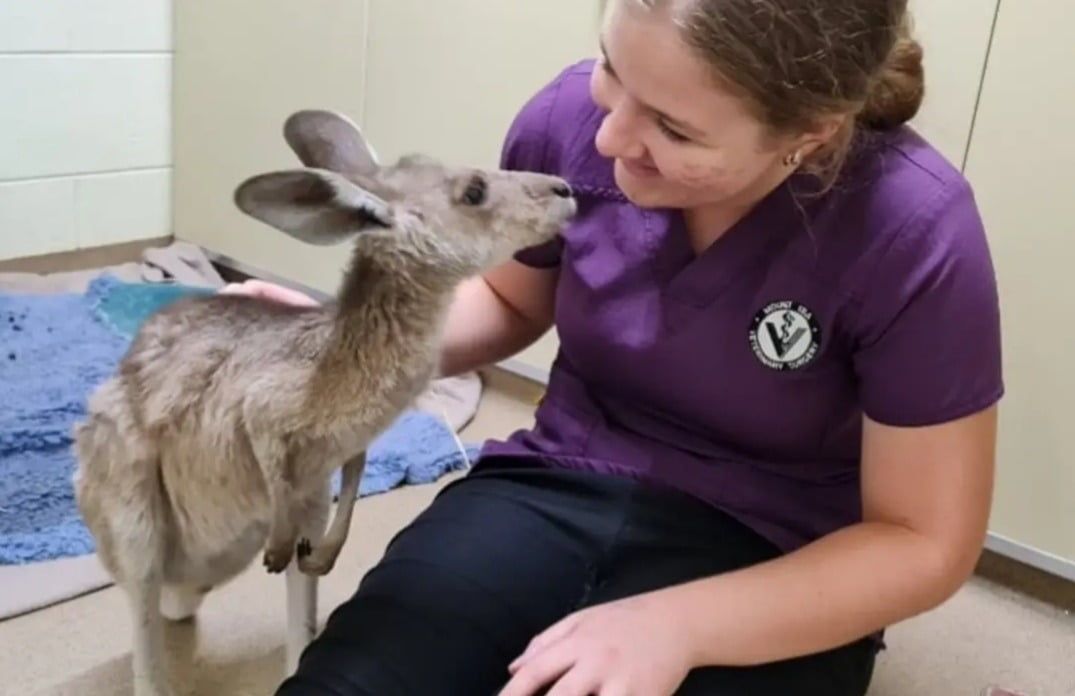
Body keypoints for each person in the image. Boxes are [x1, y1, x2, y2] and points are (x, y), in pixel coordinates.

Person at [229, 0, 1003, 693]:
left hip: (777, 552)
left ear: (810, 133)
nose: (607, 136)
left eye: (673, 129)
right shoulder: (569, 118)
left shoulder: (912, 228)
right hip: (557, 478)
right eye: (610, 67)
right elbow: (507, 299)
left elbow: (919, 541)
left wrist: (677, 626)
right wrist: (335, 349)